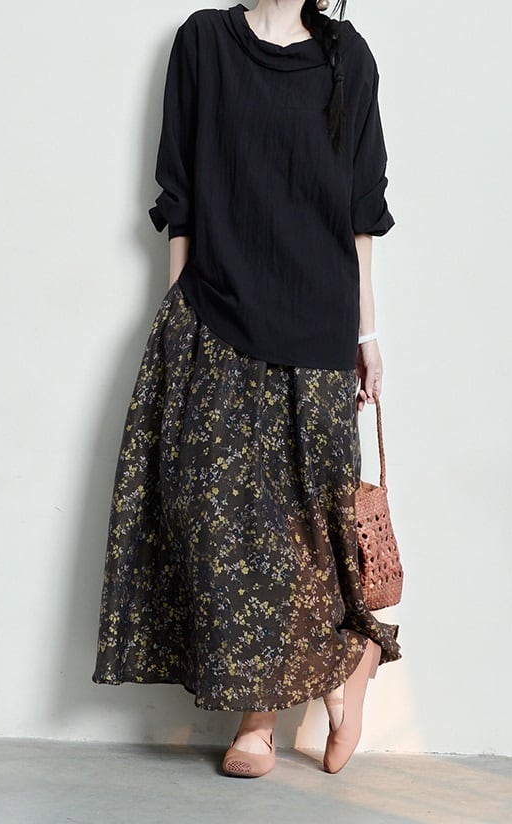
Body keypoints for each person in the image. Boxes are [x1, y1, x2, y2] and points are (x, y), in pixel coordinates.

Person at [91, 0, 402, 778]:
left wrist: (367, 336)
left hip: (318, 327)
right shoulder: (203, 43)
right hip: (216, 315)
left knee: (303, 533)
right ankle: (340, 667)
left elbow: (361, 212)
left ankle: (261, 723)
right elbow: (181, 192)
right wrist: (176, 312)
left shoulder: (349, 58)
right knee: (217, 521)